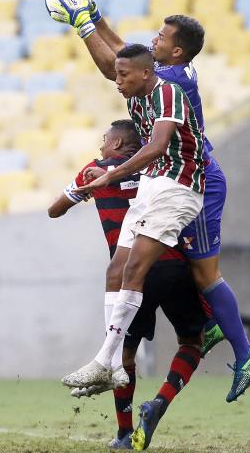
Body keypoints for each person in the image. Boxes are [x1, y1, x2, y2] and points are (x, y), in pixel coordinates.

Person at [49, 0, 250, 402]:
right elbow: (127, 57)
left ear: (174, 54)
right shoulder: (162, 71)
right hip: (164, 175)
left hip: (192, 177)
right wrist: (95, 17)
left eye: (162, 38)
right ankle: (198, 335)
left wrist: (82, 26)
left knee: (203, 274)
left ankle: (240, 350)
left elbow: (116, 66)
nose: (155, 39)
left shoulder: (168, 83)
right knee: (136, 267)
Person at [48, 120, 207, 450]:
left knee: (125, 356)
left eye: (105, 140)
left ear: (118, 144)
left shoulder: (96, 170)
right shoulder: (156, 168)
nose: (101, 146)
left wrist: (86, 189)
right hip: (172, 267)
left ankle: (123, 433)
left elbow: (55, 210)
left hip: (130, 277)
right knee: (192, 342)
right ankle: (160, 401)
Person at [60, 44, 206, 396]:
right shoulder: (135, 101)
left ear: (145, 72)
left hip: (178, 187)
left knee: (135, 270)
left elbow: (156, 147)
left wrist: (111, 176)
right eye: (117, 73)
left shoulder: (166, 92)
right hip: (153, 186)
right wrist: (86, 28)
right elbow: (111, 64)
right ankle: (110, 367)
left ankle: (104, 361)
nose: (117, 79)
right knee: (116, 271)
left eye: (124, 74)